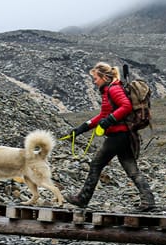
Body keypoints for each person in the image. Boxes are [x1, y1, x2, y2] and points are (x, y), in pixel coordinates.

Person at [63, 62, 156, 212]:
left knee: (96, 164)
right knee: (132, 170)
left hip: (118, 135)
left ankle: (83, 198)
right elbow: (102, 115)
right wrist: (82, 128)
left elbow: (126, 106)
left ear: (104, 77)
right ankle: (148, 201)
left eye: (95, 78)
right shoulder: (108, 91)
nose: (94, 81)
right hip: (124, 136)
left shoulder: (114, 89)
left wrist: (110, 121)